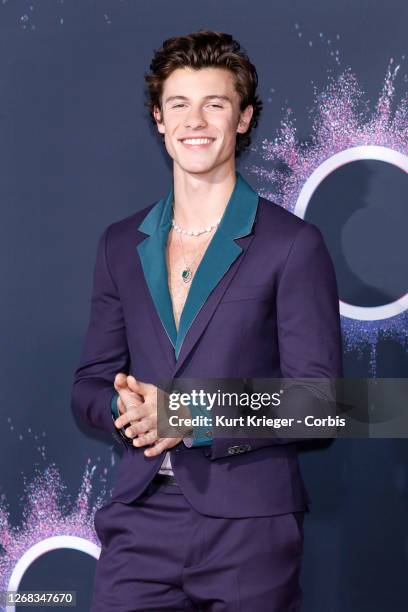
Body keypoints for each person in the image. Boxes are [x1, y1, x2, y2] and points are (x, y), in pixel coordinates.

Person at [71, 29, 342, 612]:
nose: (196, 121)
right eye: (180, 105)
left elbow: (322, 402)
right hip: (140, 521)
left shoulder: (293, 245)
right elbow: (89, 386)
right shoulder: (121, 243)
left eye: (215, 104)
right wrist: (128, 409)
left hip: (250, 527)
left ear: (242, 119)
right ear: (159, 120)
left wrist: (191, 415)